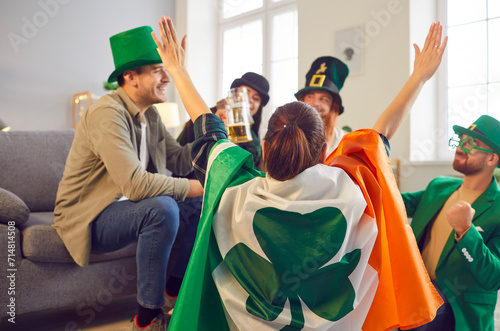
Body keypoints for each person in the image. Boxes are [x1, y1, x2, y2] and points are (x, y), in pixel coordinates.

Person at [153, 17, 447, 330]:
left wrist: (177, 69)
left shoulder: (233, 191)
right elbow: (380, 135)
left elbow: (208, 128)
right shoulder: (351, 188)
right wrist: (419, 77)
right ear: (324, 153)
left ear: (264, 150)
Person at [53, 25, 204, 331]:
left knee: (201, 203)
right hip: (89, 216)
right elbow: (135, 185)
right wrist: (197, 185)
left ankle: (174, 291)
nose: (167, 78)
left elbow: (177, 157)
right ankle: (146, 320)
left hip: (127, 208)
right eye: (158, 70)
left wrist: (210, 135)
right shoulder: (107, 112)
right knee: (163, 207)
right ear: (131, 77)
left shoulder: (149, 114)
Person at [401, 115, 500, 331]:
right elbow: (396, 202)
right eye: (460, 141)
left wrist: (466, 232)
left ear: (492, 159)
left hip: (458, 305)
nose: (460, 148)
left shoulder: (498, 209)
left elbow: (493, 277)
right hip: (416, 286)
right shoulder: (439, 186)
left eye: (471, 144)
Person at [176, 72, 270, 169]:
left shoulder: (253, 138)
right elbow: (177, 158)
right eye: (245, 94)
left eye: (256, 99)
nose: (249, 100)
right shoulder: (204, 118)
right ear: (232, 94)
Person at [295, 56, 349, 155]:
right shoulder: (289, 135)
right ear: (302, 100)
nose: (315, 103)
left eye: (324, 99)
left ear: (333, 106)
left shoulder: (344, 141)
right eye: (310, 96)